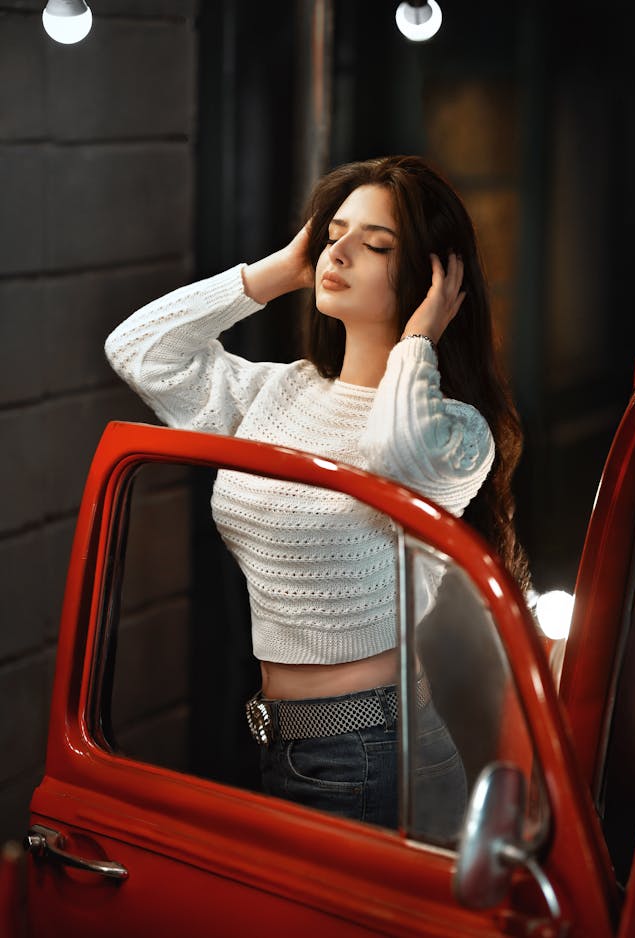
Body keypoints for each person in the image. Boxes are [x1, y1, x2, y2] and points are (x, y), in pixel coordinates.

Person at [105, 154, 529, 842]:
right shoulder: (282, 392)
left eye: (378, 244)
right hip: (285, 741)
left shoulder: (454, 433)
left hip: (366, 749)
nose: (341, 251)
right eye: (334, 231)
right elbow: (139, 350)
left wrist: (420, 336)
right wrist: (277, 271)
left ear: (429, 277)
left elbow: (394, 451)